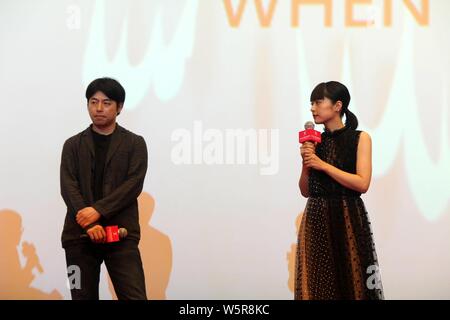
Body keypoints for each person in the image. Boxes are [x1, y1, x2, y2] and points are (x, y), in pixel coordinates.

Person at [60, 77, 148, 300]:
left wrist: (97, 211)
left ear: (119, 108)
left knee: (134, 297)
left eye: (107, 103)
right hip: (78, 238)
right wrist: (89, 223)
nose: (99, 108)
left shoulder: (135, 144)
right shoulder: (72, 145)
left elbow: (132, 185)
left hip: (121, 236)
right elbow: (68, 186)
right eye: (93, 102)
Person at [295, 81, 384, 300]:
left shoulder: (360, 138)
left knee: (353, 282)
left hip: (347, 216)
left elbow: (362, 183)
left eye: (318, 102)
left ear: (337, 106)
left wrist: (322, 165)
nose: (312, 108)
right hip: (315, 217)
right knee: (318, 288)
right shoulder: (315, 142)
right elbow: (305, 191)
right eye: (311, 103)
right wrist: (307, 163)